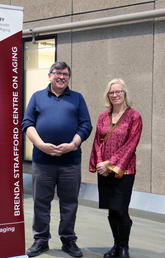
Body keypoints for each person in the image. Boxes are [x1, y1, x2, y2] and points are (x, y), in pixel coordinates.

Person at [22, 61, 92, 257]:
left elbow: (86, 125)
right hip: (43, 162)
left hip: (70, 162)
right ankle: (41, 240)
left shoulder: (77, 98)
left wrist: (73, 144)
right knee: (40, 202)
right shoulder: (37, 97)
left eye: (65, 74)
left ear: (69, 78)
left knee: (69, 203)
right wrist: (40, 145)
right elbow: (27, 123)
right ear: (50, 75)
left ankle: (68, 240)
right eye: (58, 73)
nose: (61, 77)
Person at [89, 78, 142, 258]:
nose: (115, 95)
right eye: (112, 92)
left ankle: (124, 247)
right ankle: (116, 245)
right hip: (104, 170)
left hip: (123, 171)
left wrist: (110, 164)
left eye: (118, 91)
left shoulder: (134, 116)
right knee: (111, 209)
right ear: (108, 95)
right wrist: (99, 163)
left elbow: (131, 144)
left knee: (121, 209)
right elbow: (97, 142)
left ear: (125, 93)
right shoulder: (103, 116)